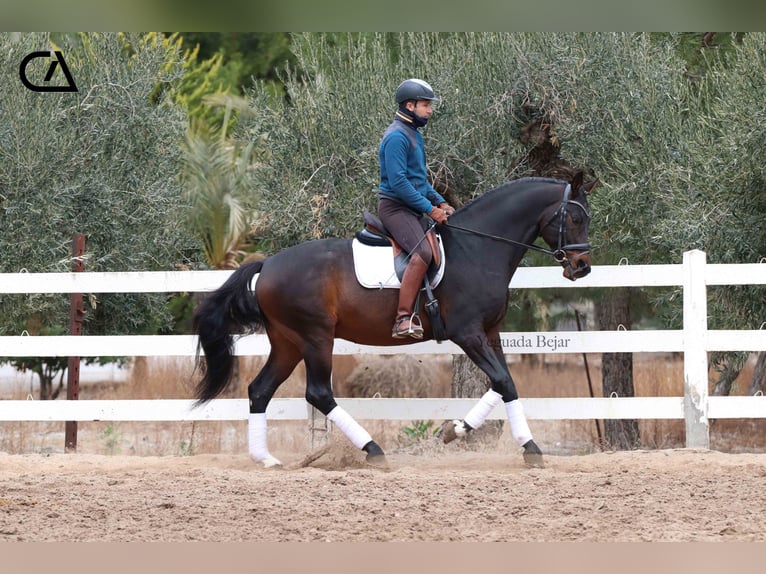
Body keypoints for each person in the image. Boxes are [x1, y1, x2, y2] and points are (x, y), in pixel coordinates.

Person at [378, 78, 455, 339]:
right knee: (422, 252)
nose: (430, 110)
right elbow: (399, 183)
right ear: (409, 106)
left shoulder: (413, 134)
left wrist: (440, 201)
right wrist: (430, 209)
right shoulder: (397, 137)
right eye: (425, 105)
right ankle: (402, 319)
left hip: (411, 208)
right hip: (395, 209)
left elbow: (419, 180)